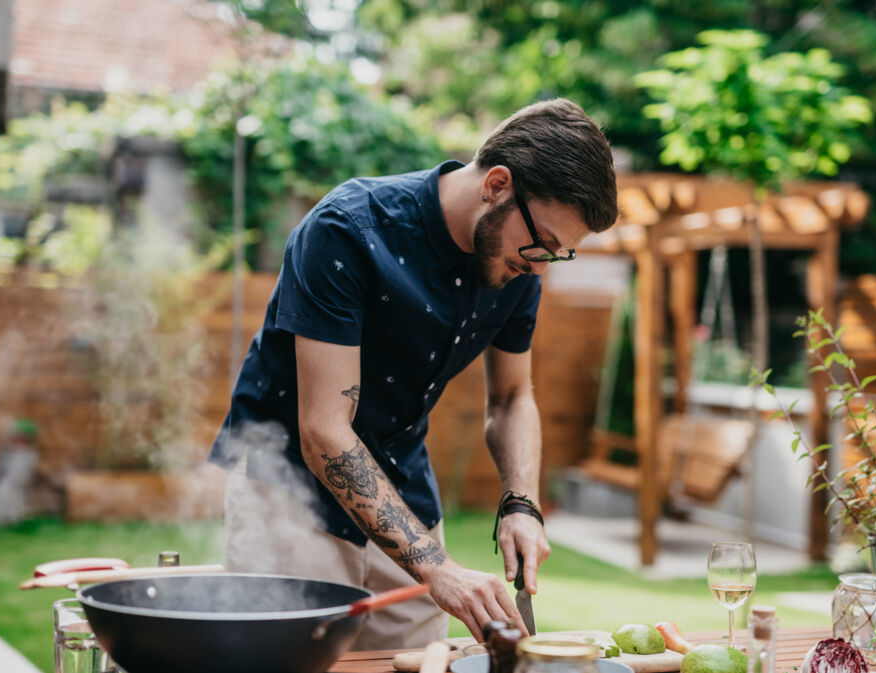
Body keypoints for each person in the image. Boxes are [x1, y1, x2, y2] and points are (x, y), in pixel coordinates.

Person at [207, 97, 618, 649]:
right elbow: (324, 431)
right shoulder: (347, 229)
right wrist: (438, 567)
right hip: (289, 496)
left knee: (418, 665)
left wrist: (522, 502)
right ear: (497, 185)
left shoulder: (519, 266)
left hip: (403, 490)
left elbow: (514, 398)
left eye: (559, 254)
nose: (542, 264)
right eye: (542, 243)